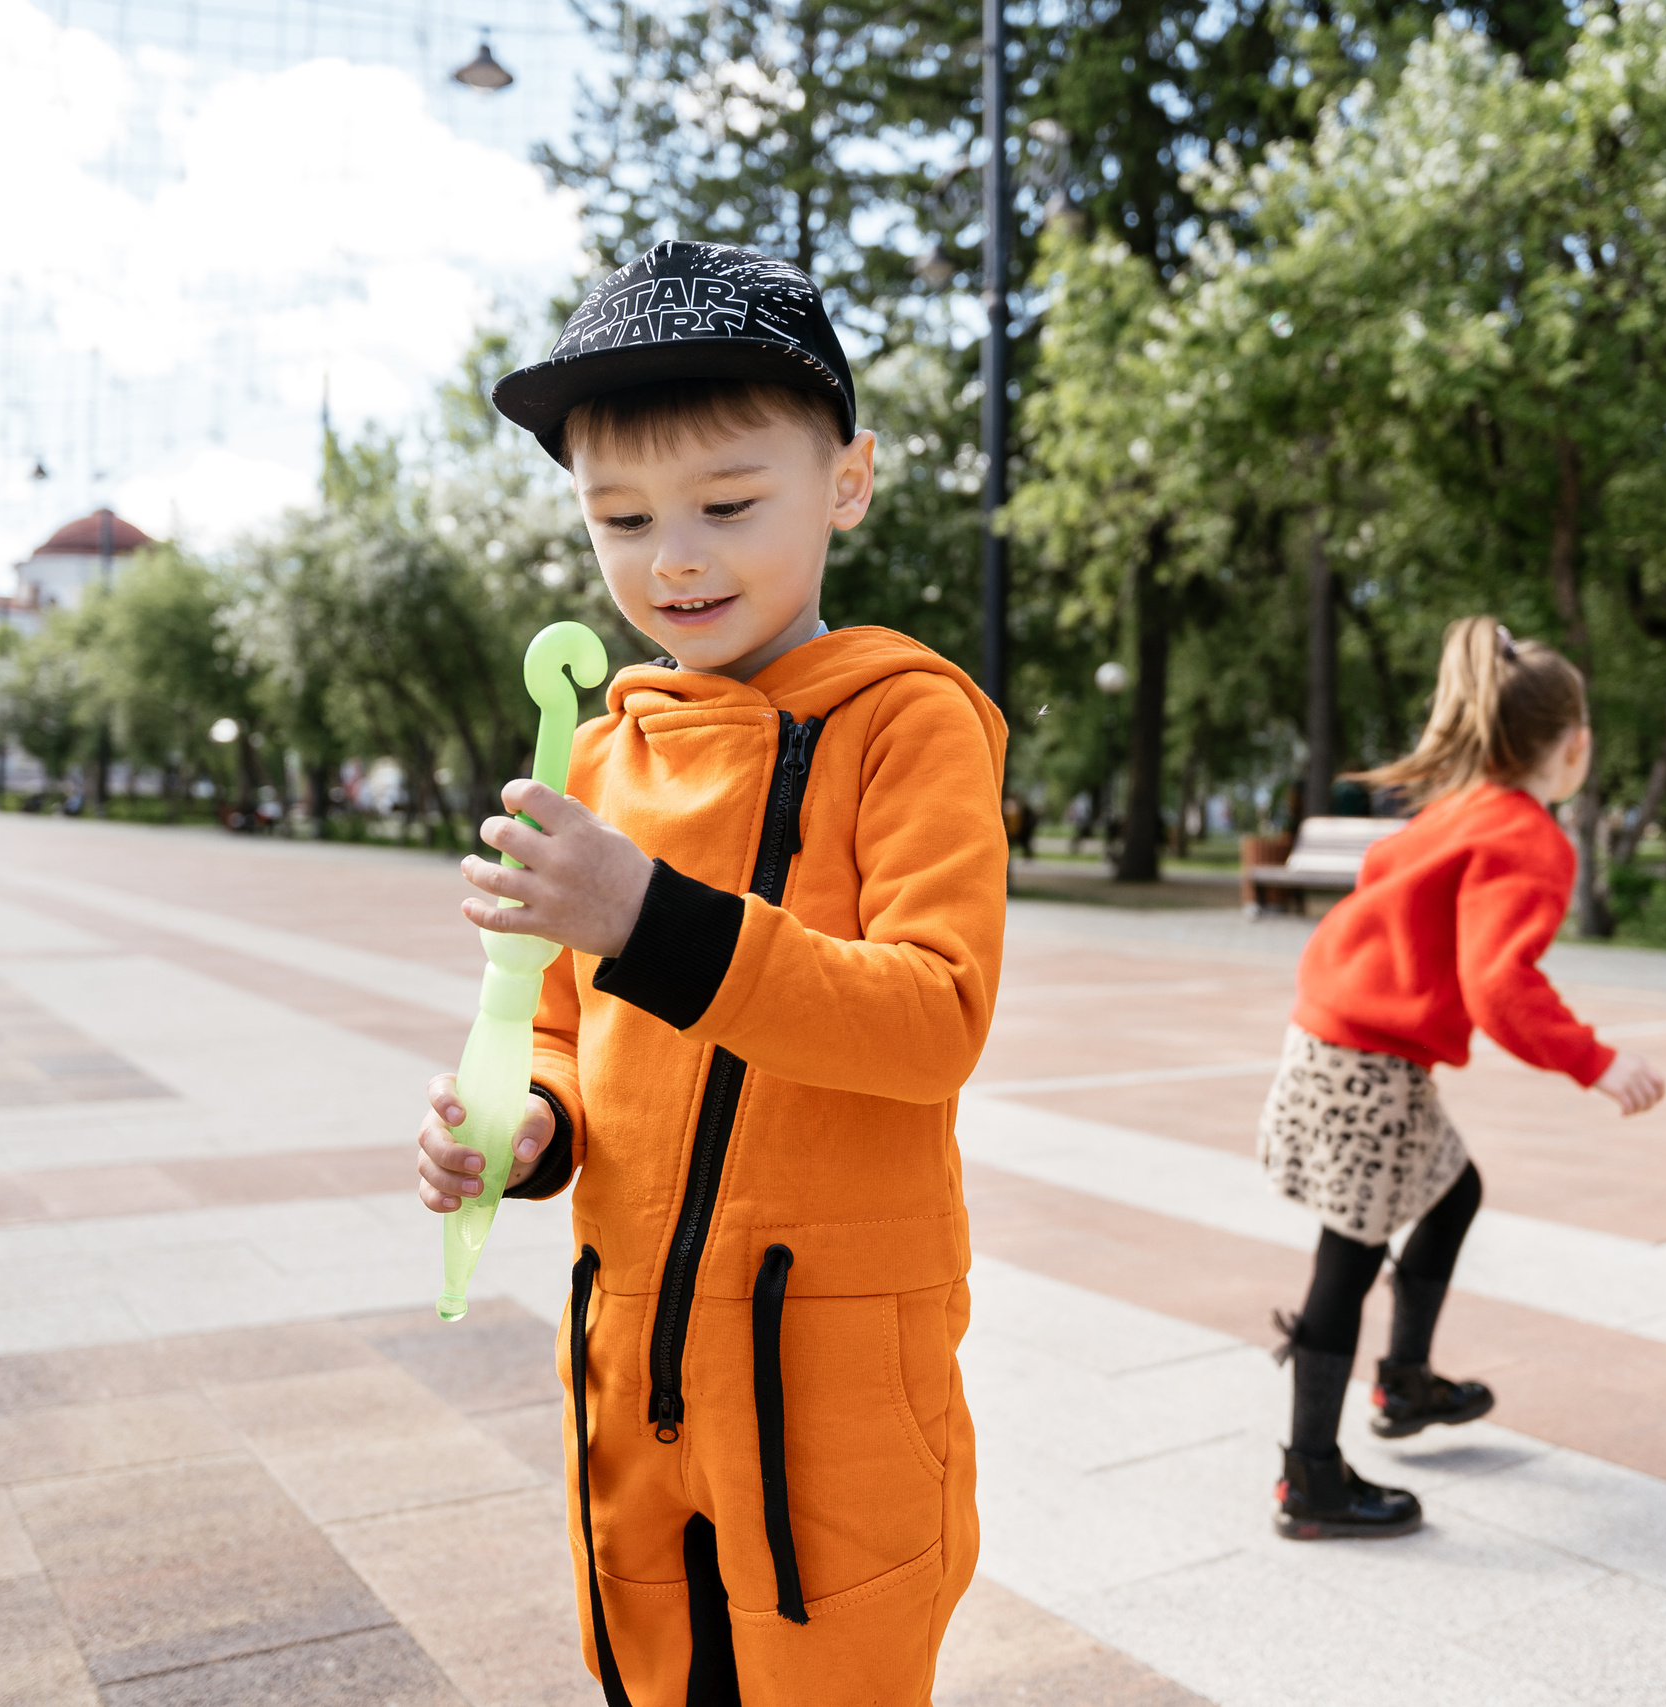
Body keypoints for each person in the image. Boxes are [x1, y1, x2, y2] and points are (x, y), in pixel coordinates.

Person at [411, 241, 1006, 1705]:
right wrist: (523, 1127)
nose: (673, 557)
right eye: (620, 516)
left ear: (846, 484)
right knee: (652, 1668)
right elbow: (559, 1028)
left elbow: (933, 1019)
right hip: (632, 1349)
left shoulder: (907, 722)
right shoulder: (600, 753)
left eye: (729, 505)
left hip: (828, 1381)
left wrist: (655, 918)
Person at [1260, 615, 1666, 1540]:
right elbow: (1499, 987)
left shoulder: (1463, 807)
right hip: (1366, 1060)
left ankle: (1404, 1383)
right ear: (1575, 747)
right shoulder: (1528, 838)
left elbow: (1387, 876)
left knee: (1453, 1188)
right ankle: (1309, 1477)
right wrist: (1598, 1062)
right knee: (1348, 1257)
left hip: (1338, 1041)